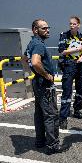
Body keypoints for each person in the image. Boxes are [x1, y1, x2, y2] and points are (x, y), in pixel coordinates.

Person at [23, 19, 67, 154]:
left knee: (40, 113)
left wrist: (34, 73)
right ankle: (53, 145)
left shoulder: (32, 43)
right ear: (35, 30)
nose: (47, 30)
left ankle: (40, 141)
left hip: (37, 82)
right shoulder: (39, 44)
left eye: (48, 28)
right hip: (45, 84)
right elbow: (36, 62)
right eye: (44, 28)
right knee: (51, 115)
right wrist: (47, 75)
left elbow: (25, 59)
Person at [58, 16, 82, 129]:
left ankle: (77, 110)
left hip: (80, 65)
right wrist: (76, 50)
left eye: (74, 24)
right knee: (67, 91)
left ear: (78, 25)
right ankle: (63, 118)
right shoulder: (64, 35)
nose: (72, 25)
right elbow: (61, 51)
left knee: (80, 90)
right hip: (69, 65)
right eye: (70, 23)